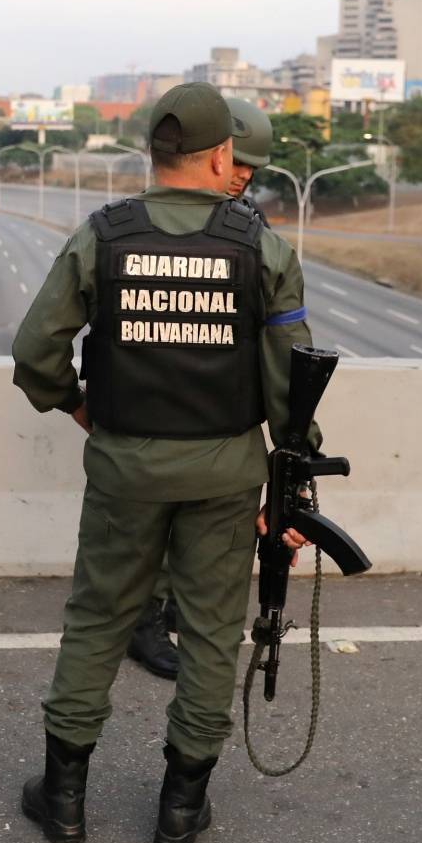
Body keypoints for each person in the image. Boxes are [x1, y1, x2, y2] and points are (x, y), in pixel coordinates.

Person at [12, 82, 316, 843]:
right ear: (220, 154)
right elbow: (291, 384)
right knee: (212, 633)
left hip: (122, 464)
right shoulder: (262, 249)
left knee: (98, 620)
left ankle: (65, 798)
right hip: (223, 472)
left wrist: (78, 406)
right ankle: (180, 808)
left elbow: (33, 353)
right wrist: (294, 480)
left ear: (158, 151)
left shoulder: (103, 235)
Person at [124, 95, 274, 681]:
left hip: (221, 405)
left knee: (205, 537)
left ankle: (181, 610)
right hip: (154, 406)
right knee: (154, 533)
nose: (241, 175)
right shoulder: (134, 222)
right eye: (236, 161)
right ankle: (147, 620)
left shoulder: (249, 228)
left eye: (251, 170)